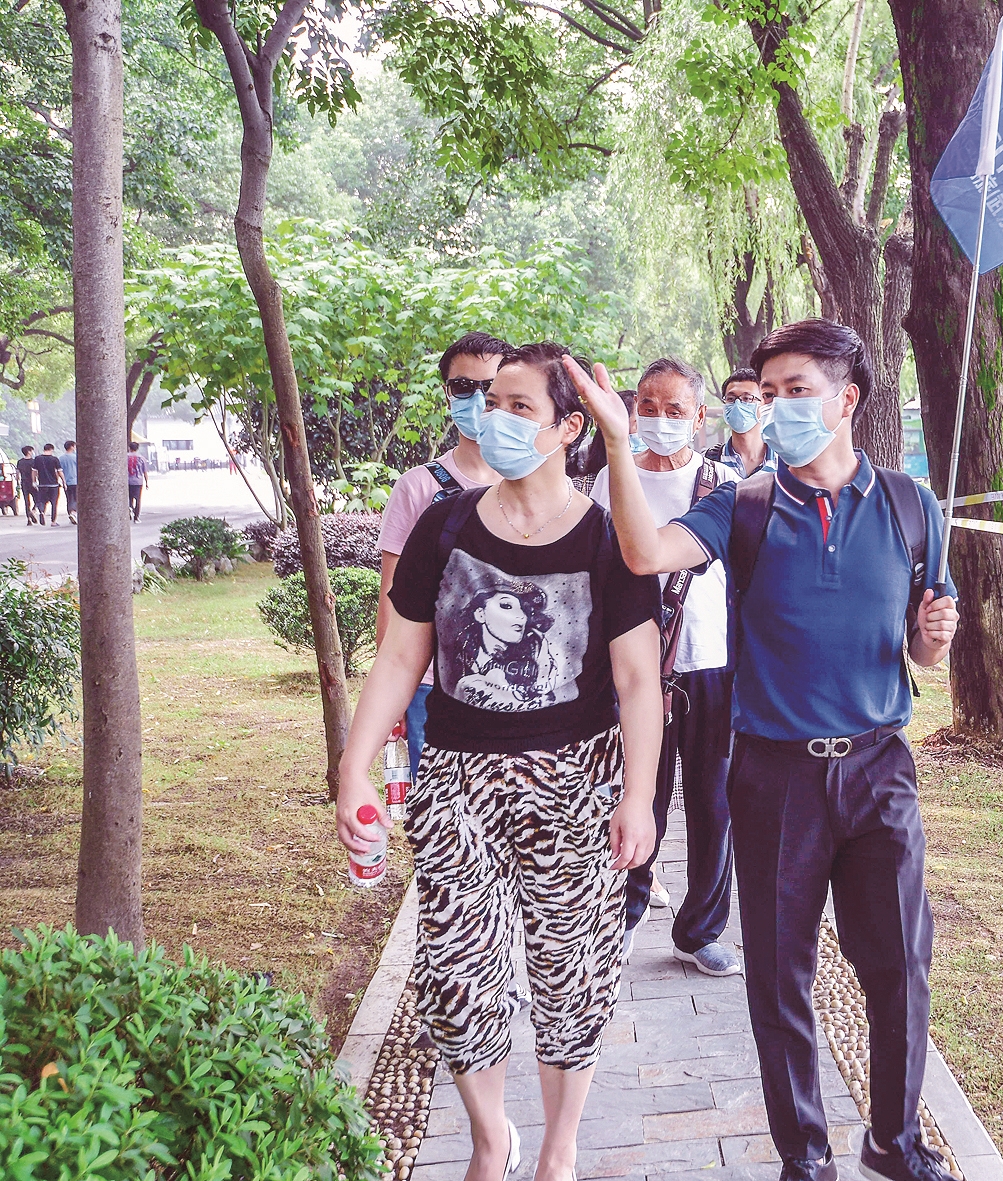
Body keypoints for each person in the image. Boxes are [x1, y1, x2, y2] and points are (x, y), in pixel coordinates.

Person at [569, 318, 962, 1181]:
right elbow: (644, 550)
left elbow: (922, 647)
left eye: (796, 391)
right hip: (774, 773)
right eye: (770, 392)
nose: (778, 407)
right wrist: (618, 440)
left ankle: (894, 1142)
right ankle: (805, 1154)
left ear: (846, 400)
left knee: (900, 963)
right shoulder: (744, 503)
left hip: (879, 768)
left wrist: (933, 638)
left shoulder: (909, 504)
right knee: (780, 974)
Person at [337, 341, 664, 1181]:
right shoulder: (444, 524)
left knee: (572, 972)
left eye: (521, 406)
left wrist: (639, 796)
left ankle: (559, 1147)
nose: (497, 418)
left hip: (575, 780)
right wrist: (353, 765)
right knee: (457, 972)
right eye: (492, 402)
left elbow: (638, 680)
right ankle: (491, 1138)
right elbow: (399, 655)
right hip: (458, 779)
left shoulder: (608, 538)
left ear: (567, 428)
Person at [590, 359, 741, 977]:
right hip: (633, 672)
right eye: (647, 406)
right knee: (638, 794)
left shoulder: (724, 482)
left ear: (699, 417)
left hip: (711, 666)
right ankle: (624, 912)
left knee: (712, 801)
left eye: (674, 409)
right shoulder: (610, 480)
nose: (659, 418)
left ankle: (699, 930)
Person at [378, 331, 509, 771]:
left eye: (490, 387)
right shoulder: (417, 487)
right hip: (431, 686)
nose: (478, 399)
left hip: (515, 683)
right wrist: (391, 693)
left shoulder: (537, 486)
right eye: (463, 386)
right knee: (439, 806)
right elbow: (391, 595)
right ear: (447, 394)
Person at [707, 368, 778, 477]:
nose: (737, 404)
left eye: (747, 398)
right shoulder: (709, 464)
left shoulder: (784, 463)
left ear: (764, 403)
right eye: (731, 399)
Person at [31, 442, 64, 526]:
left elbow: (34, 471)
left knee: (42, 501)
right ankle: (53, 521)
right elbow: (59, 471)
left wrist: (34, 481)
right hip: (54, 485)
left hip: (42, 484)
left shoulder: (37, 459)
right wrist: (64, 481)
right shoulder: (54, 459)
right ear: (52, 449)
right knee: (54, 503)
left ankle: (42, 512)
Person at [127, 442, 148, 521]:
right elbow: (145, 472)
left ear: (129, 448)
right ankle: (136, 517)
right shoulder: (142, 458)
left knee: (129, 498)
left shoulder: (125, 457)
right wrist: (147, 482)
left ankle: (130, 508)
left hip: (128, 481)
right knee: (138, 499)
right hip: (138, 481)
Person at [18, 445, 38, 525]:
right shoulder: (33, 461)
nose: (32, 452)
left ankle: (29, 520)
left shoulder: (20, 462)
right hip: (32, 482)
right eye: (32, 451)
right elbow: (36, 472)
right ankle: (33, 510)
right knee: (37, 499)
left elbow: (17, 473)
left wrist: (18, 481)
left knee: (27, 501)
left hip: (23, 483)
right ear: (29, 452)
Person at [59, 440, 77, 524]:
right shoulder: (75, 457)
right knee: (76, 499)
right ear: (72, 447)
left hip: (66, 482)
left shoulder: (61, 458)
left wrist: (62, 481)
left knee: (69, 499)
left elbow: (59, 471)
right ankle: (73, 513)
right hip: (75, 481)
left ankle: (70, 513)